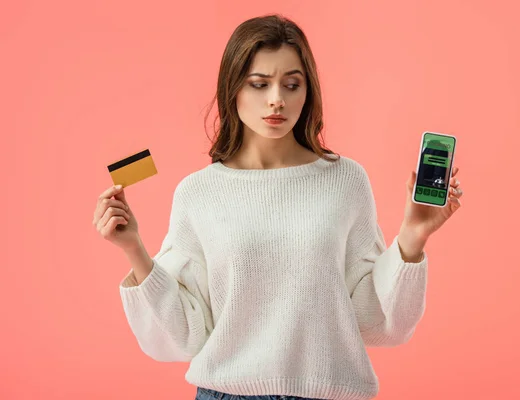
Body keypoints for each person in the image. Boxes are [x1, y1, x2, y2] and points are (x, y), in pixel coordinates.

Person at [92, 14, 464, 400]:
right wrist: (133, 248)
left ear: (308, 92)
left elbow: (377, 323)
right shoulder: (198, 192)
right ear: (232, 89)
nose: (277, 100)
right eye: (259, 84)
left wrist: (413, 237)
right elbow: (184, 335)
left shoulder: (345, 181)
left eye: (291, 85)